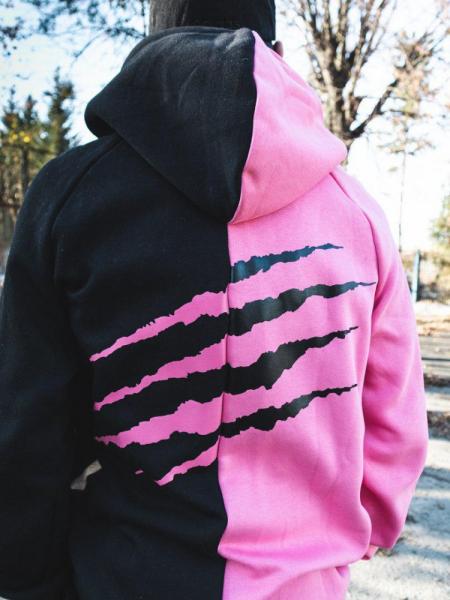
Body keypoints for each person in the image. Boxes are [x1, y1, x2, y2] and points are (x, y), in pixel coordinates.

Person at [0, 1, 429, 599]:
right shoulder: (358, 215)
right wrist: (344, 540)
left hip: (119, 578)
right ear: (278, 53)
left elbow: (26, 428)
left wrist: (31, 577)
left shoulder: (71, 197)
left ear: (153, 39)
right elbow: (395, 427)